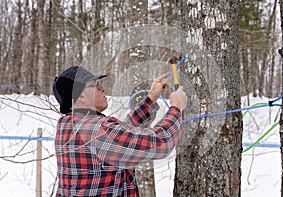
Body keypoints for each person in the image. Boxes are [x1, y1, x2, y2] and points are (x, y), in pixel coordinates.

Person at [52, 64, 187, 197]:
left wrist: (151, 98)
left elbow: (120, 139)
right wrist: (176, 107)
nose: (103, 89)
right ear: (80, 95)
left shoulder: (66, 124)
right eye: (96, 86)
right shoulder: (97, 129)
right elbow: (159, 143)